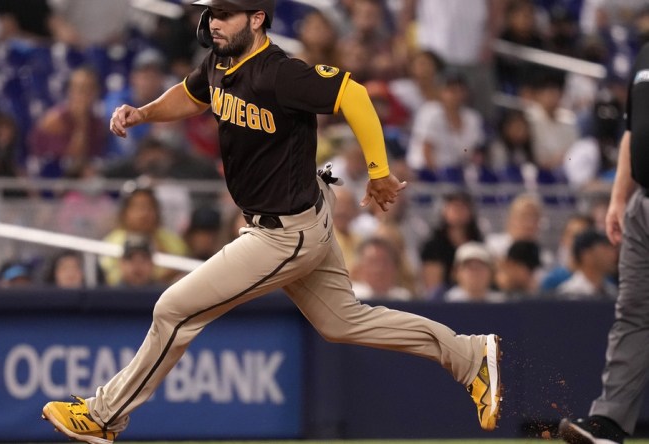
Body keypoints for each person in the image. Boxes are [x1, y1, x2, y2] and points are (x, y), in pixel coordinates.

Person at [41, 2, 503, 443]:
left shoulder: (280, 72)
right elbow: (190, 94)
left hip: (286, 232)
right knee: (343, 322)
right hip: (297, 219)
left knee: (174, 310)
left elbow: (354, 94)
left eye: (226, 13)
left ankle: (104, 416)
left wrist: (379, 171)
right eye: (212, 13)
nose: (214, 21)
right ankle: (467, 355)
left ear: (257, 18)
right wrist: (143, 113)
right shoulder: (220, 62)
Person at [558, 42, 649, 444]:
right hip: (642, 202)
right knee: (633, 312)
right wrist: (618, 198)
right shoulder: (644, 54)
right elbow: (633, 129)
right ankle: (609, 422)